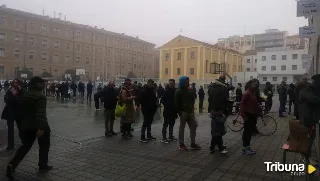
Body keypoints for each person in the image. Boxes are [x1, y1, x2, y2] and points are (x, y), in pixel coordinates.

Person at [6, 76, 52, 180]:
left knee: (25, 147)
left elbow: (20, 110)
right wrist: (41, 128)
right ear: (36, 84)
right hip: (39, 126)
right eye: (42, 83)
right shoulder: (40, 96)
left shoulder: (24, 94)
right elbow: (40, 114)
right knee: (44, 145)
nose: (44, 84)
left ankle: (12, 165)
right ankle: (43, 165)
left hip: (26, 126)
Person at [175, 76, 201, 151]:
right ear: (182, 82)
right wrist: (180, 112)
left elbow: (194, 98)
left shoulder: (189, 90)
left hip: (190, 112)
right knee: (182, 128)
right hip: (183, 112)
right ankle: (181, 144)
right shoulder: (178, 91)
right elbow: (176, 103)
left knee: (194, 126)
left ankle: (193, 143)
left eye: (188, 81)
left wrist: (192, 91)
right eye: (186, 81)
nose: (187, 82)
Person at [299, 74, 320, 154]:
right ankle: (305, 152)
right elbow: (312, 99)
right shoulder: (306, 90)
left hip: (310, 116)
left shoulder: (311, 89)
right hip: (307, 116)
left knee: (311, 135)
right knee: (309, 134)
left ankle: (306, 151)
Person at [1, 79, 23, 151]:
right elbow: (6, 99)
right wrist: (11, 99)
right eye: (14, 82)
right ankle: (10, 145)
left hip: (18, 112)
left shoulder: (21, 91)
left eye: (17, 82)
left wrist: (20, 92)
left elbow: (22, 100)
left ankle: (24, 142)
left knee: (20, 128)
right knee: (10, 129)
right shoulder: (9, 90)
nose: (15, 84)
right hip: (10, 111)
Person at [240, 80, 260, 155]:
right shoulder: (247, 93)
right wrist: (243, 115)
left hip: (253, 116)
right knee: (247, 133)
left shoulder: (252, 93)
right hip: (248, 116)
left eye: (257, 85)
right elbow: (242, 105)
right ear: (249, 85)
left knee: (250, 133)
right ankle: (245, 148)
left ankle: (248, 147)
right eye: (254, 84)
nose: (255, 86)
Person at [161, 79, 178, 144]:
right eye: (170, 83)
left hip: (173, 111)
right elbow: (162, 100)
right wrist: (167, 105)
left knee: (172, 124)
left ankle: (170, 136)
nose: (171, 84)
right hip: (167, 111)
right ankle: (164, 137)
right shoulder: (166, 91)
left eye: (172, 83)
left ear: (174, 84)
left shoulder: (175, 91)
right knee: (165, 124)